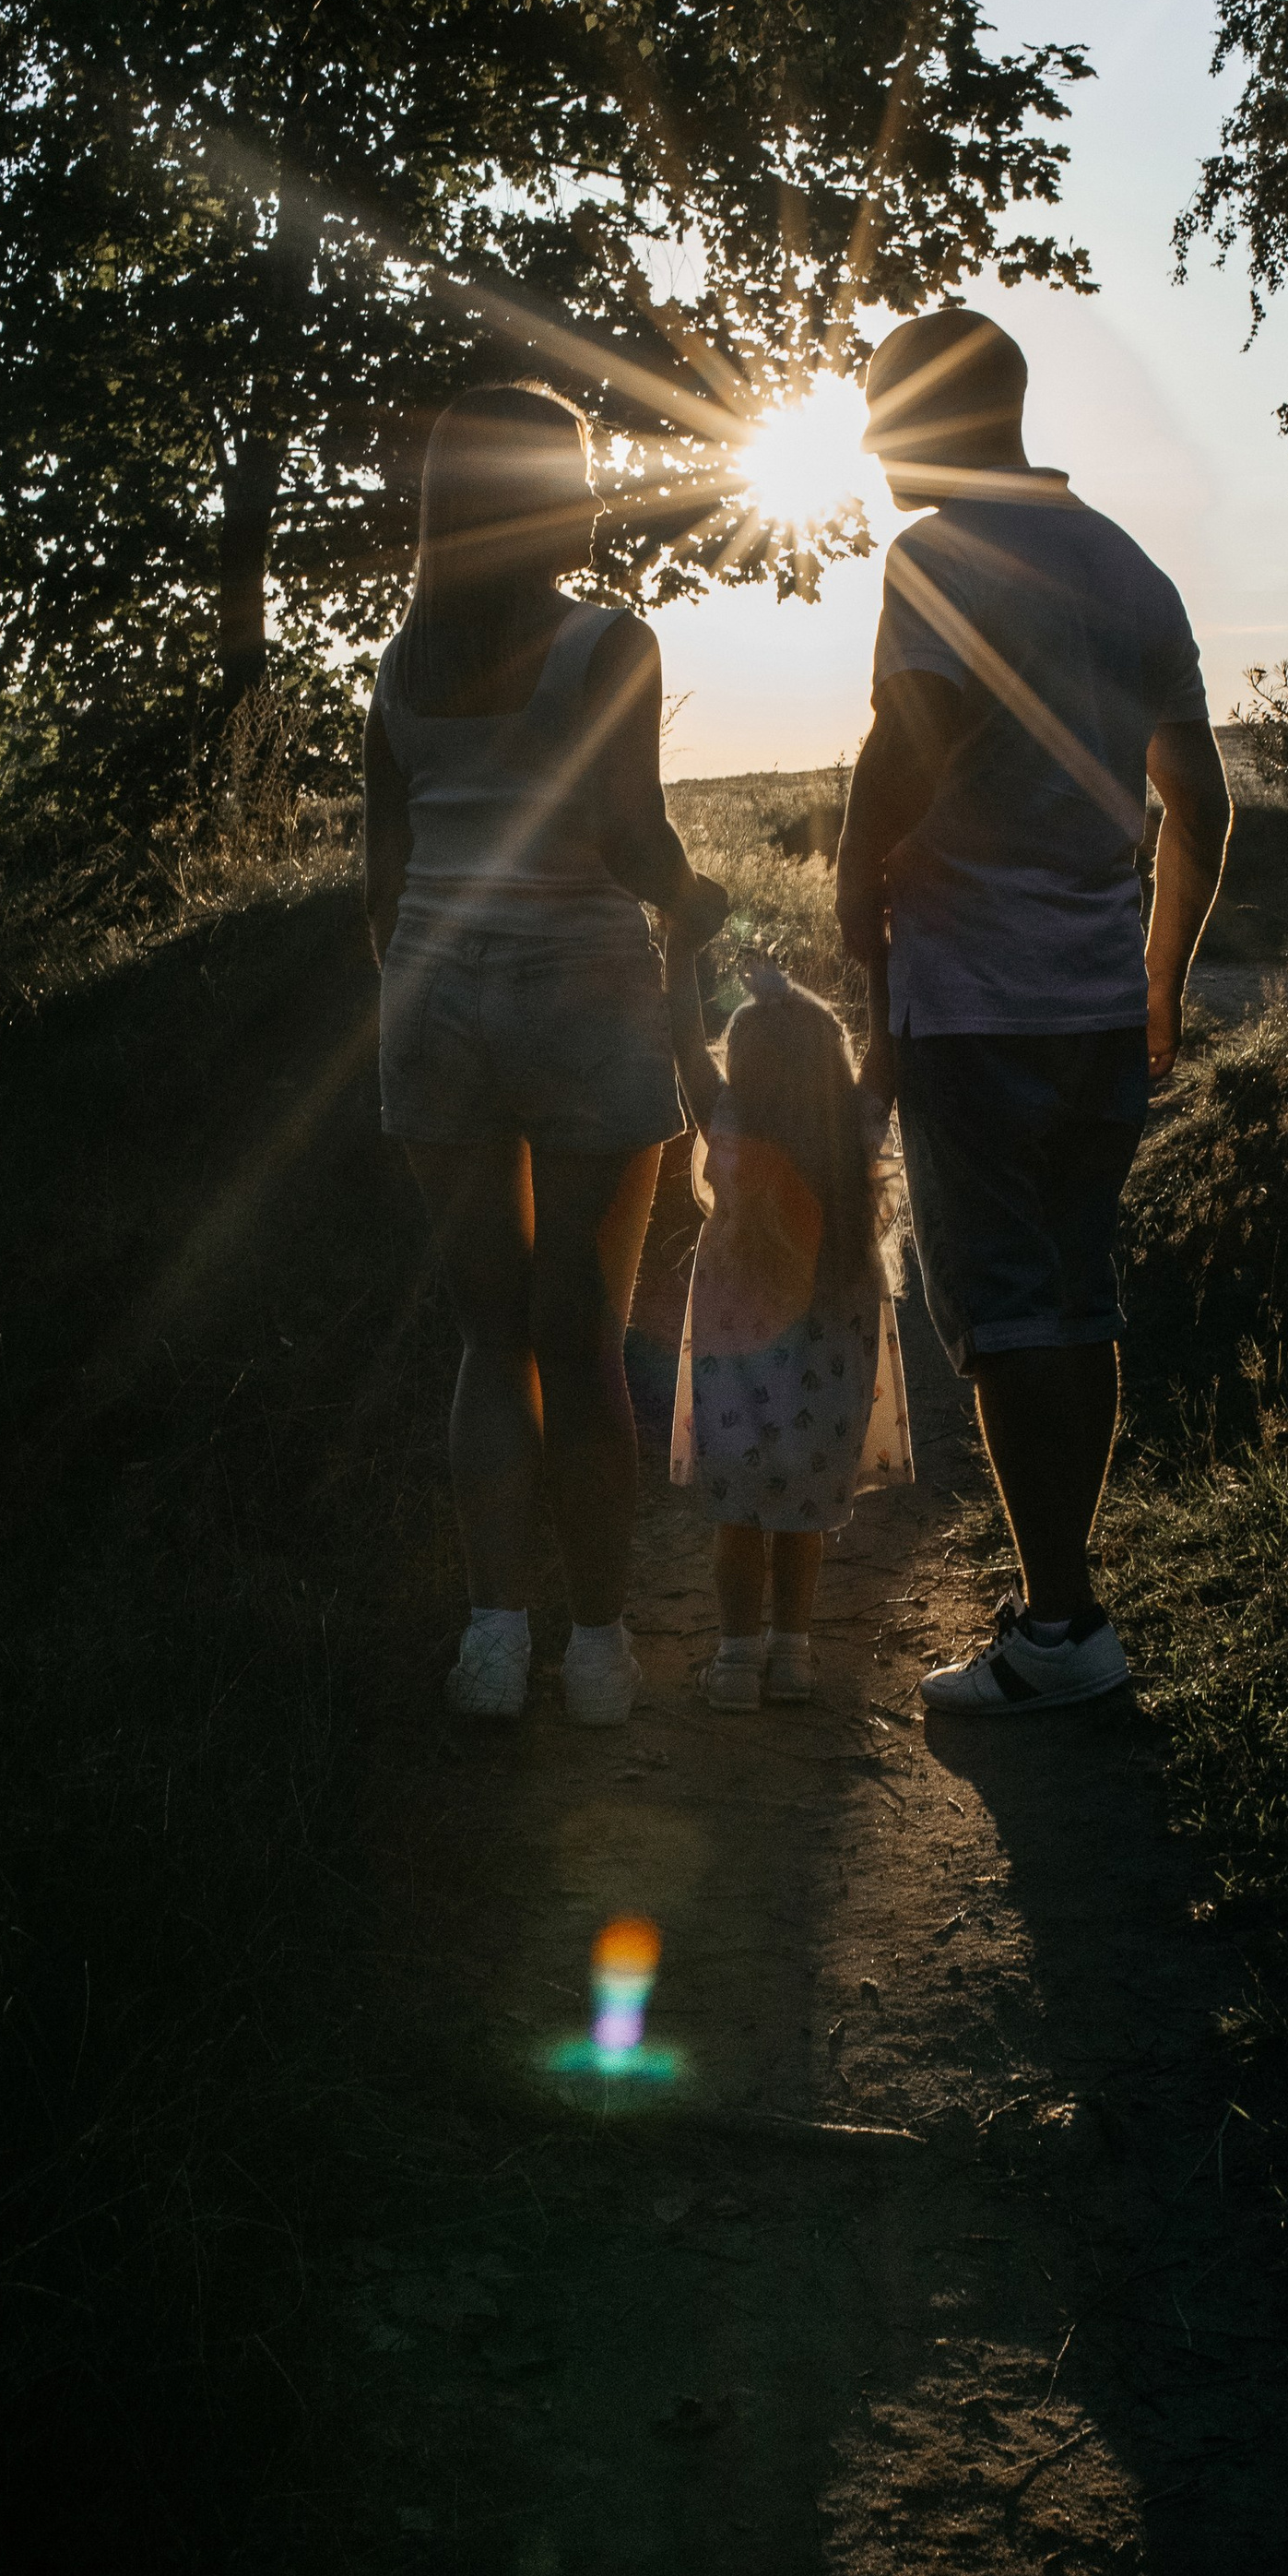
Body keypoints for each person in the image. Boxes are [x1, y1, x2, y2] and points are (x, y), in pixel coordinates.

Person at [835, 307, 1232, 1715]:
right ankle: (1073, 1615)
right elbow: (1201, 799)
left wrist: (851, 924)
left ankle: (1057, 1626)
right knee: (1080, 1295)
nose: (870, 443)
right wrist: (1161, 978)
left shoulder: (936, 557)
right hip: (1089, 1009)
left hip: (974, 1003)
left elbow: (905, 762)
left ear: (940, 416)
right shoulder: (1132, 571)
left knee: (1007, 1313)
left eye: (883, 411)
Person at [365, 380, 727, 1726]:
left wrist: (416, 998)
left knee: (486, 1335)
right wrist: (698, 902)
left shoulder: (403, 668)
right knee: (581, 1339)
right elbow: (630, 839)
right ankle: (598, 1647)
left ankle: (492, 1638)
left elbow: (379, 875)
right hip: (579, 990)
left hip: (435, 996)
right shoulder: (608, 645)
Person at [659, 936, 913, 1708]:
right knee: (803, 1508)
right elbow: (889, 1049)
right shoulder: (854, 1130)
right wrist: (882, 958)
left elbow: (682, 1046)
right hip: (829, 1358)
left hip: (738, 1353)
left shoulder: (729, 1122)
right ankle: (793, 1655)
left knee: (737, 1510)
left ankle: (736, 1660)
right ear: (829, 1065)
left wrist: (680, 956)